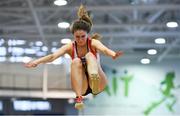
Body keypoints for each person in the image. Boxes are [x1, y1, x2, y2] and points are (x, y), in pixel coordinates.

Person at [25, 5, 123, 110]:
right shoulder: (70, 47)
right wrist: (37, 61)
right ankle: (79, 98)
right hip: (83, 86)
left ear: (87, 35)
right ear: (73, 36)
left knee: (90, 55)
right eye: (77, 37)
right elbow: (53, 56)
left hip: (99, 82)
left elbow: (104, 49)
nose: (80, 40)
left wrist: (113, 54)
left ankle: (94, 77)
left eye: (83, 37)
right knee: (75, 61)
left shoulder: (93, 43)